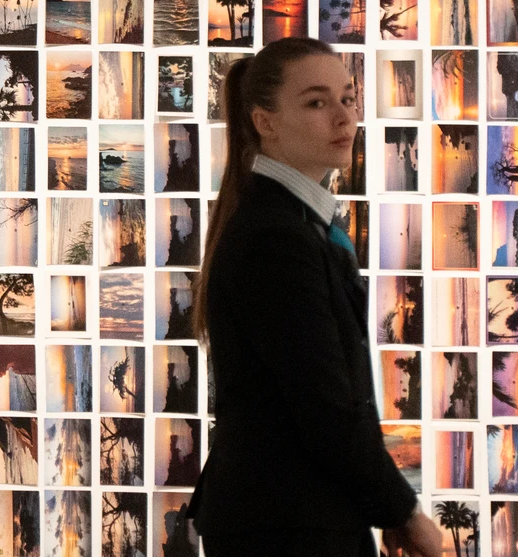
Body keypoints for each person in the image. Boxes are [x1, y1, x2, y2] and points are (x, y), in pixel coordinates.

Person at [185, 37, 442, 557]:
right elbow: (325, 405)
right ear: (266, 121)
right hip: (286, 524)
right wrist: (402, 511)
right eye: (316, 102)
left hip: (294, 514)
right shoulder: (276, 237)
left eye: (347, 98)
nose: (344, 118)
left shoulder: (291, 223)